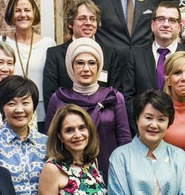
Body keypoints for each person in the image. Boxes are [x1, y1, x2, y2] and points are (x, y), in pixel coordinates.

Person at [45, 37, 132, 184]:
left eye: (92, 63)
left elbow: (124, 141)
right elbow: (51, 143)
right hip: (69, 178)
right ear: (70, 66)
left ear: (99, 66)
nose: (86, 68)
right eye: (80, 63)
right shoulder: (59, 98)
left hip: (111, 173)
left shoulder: (114, 97)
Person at [124, 1, 185, 118]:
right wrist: (139, 126)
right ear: (153, 24)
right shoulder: (135, 55)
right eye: (161, 19)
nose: (166, 24)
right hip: (144, 128)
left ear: (179, 27)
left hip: (181, 126)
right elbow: (128, 97)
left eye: (172, 20)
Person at [42, 0, 126, 106]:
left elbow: (114, 93)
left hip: (102, 118)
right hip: (67, 119)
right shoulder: (55, 54)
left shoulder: (109, 54)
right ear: (70, 24)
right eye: (82, 18)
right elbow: (50, 96)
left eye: (92, 19)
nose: (88, 23)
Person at [0, 0, 56, 126]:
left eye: (27, 10)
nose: (23, 15)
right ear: (11, 15)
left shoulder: (48, 44)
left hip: (42, 113)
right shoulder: (1, 43)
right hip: (12, 112)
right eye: (18, 11)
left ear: (34, 13)